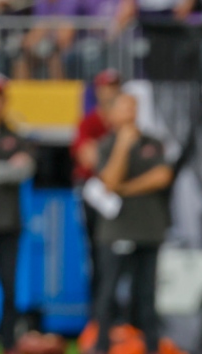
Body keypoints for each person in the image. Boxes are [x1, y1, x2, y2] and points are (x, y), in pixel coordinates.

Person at [88, 93, 174, 354]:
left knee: (146, 294)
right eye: (124, 108)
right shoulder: (106, 145)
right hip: (117, 229)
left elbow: (162, 176)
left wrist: (127, 188)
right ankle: (101, 348)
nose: (130, 114)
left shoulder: (152, 142)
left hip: (149, 227)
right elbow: (109, 181)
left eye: (133, 108)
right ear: (112, 115)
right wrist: (123, 147)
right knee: (109, 291)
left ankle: (151, 351)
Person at [0, 74, 35, 354]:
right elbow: (13, 171)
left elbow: (25, 170)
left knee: (9, 286)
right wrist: (5, 171)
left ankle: (10, 346)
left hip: (9, 222)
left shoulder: (14, 135)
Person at [72, 69, 124, 309]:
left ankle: (118, 316)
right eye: (105, 87)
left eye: (114, 87)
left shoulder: (124, 124)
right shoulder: (90, 123)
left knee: (118, 258)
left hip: (120, 195)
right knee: (96, 255)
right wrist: (117, 161)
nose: (110, 92)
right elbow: (88, 159)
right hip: (94, 196)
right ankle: (98, 315)